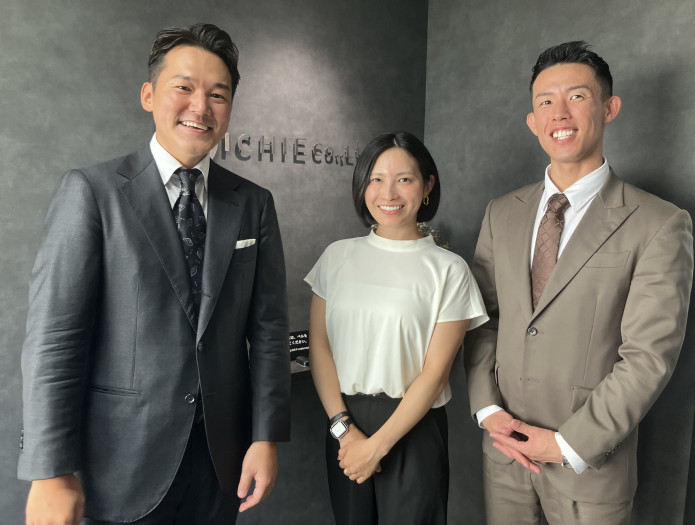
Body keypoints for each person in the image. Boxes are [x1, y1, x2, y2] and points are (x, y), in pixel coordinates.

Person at [19, 23, 290, 524]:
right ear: (149, 95)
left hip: (221, 462)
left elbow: (269, 330)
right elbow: (55, 339)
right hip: (120, 461)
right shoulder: (93, 192)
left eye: (218, 95)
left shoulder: (253, 203)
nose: (200, 107)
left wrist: (265, 436)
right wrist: (50, 469)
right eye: (183, 87)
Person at [465, 41, 693, 524]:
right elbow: (484, 320)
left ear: (609, 108)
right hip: (504, 457)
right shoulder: (501, 213)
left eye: (577, 96)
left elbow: (649, 356)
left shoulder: (659, 222)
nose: (560, 113)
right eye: (545, 101)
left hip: (590, 470)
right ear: (533, 120)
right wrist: (487, 410)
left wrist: (568, 444)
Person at [305, 131, 488, 525]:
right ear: (362, 185)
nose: (388, 193)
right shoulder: (336, 257)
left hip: (413, 428)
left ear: (427, 186)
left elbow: (435, 375)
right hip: (345, 422)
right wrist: (343, 428)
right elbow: (320, 348)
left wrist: (377, 446)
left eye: (404, 179)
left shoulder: (449, 270)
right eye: (376, 179)